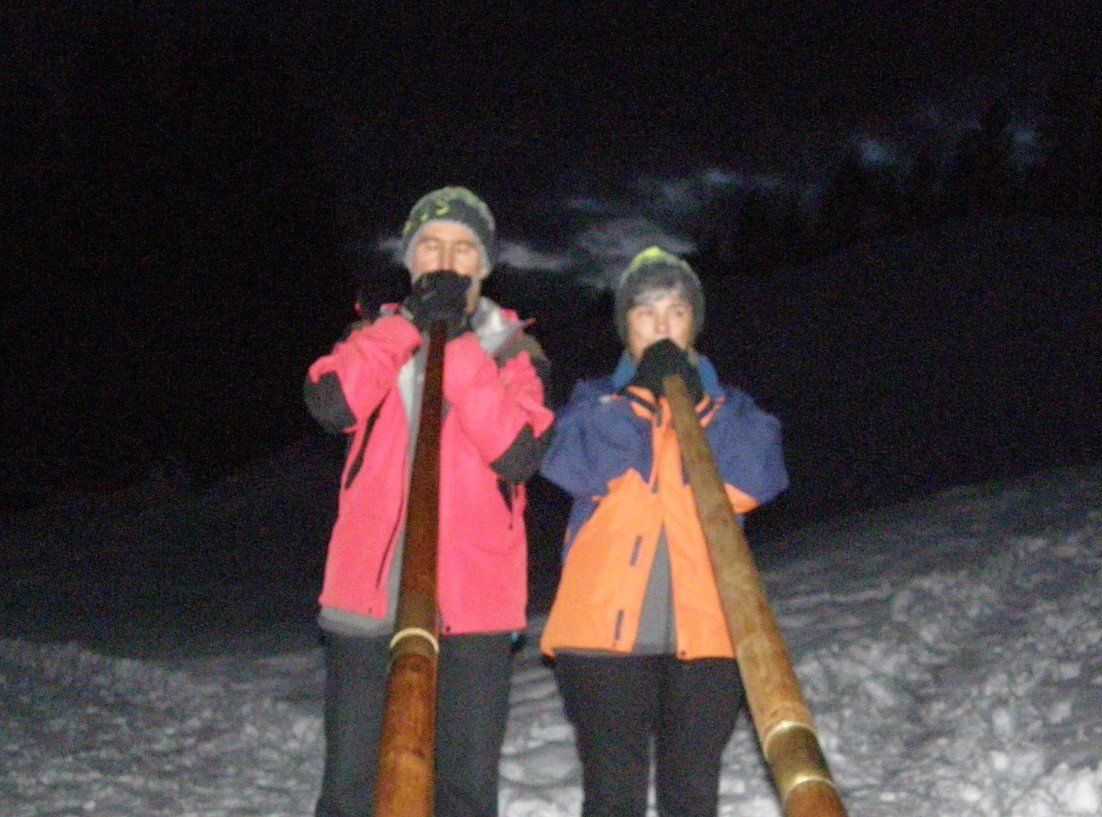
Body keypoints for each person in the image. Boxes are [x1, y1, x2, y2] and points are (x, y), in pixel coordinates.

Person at [303, 186, 554, 817]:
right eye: (431, 246)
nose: (446, 260)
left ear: (483, 266)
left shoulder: (514, 352)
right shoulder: (373, 335)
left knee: (463, 792)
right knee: (352, 789)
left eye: (463, 248)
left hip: (474, 605)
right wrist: (406, 326)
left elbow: (518, 452)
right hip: (368, 595)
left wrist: (459, 343)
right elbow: (333, 403)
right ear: (410, 260)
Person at [539, 247, 789, 817]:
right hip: (600, 637)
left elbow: (757, 479)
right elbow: (572, 466)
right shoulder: (592, 403)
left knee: (692, 797)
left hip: (710, 633)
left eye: (675, 312)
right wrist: (638, 398)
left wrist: (701, 408)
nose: (660, 326)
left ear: (693, 325)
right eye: (645, 313)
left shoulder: (733, 410)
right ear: (625, 327)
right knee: (613, 798)